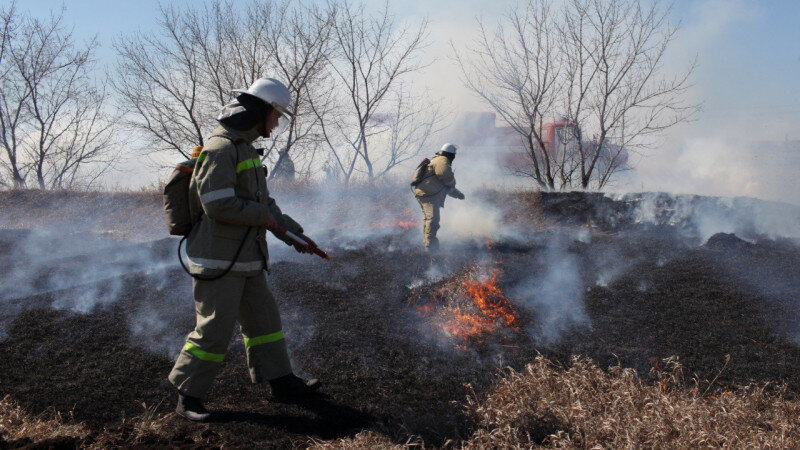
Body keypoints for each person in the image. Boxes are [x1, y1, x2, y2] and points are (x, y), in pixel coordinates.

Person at [168, 78, 320, 422]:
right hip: (218, 260)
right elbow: (217, 204)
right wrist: (262, 217)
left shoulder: (245, 149)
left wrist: (295, 234)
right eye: (275, 115)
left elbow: (264, 204)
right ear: (259, 112)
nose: (277, 123)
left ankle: (281, 382)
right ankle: (188, 396)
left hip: (245, 257)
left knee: (265, 321)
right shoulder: (221, 149)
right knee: (213, 330)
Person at [412, 143, 465, 251]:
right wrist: (452, 182)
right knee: (433, 220)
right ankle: (431, 247)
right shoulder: (442, 159)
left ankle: (428, 244)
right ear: (450, 154)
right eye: (453, 155)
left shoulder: (437, 160)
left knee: (428, 219)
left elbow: (445, 187)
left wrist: (457, 194)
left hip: (425, 193)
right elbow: (445, 175)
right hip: (428, 195)